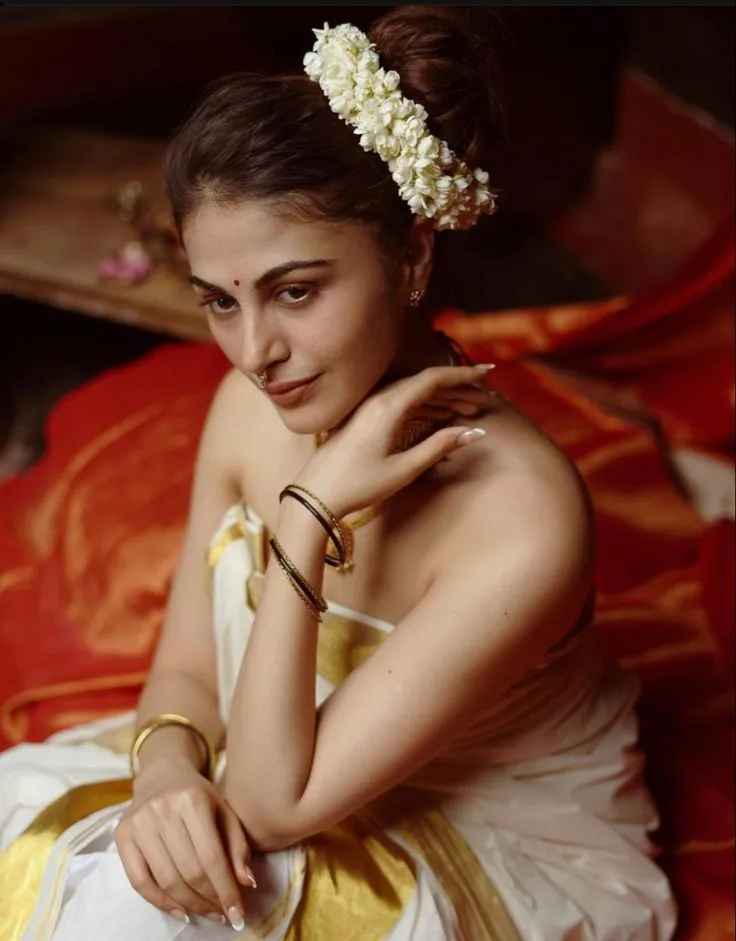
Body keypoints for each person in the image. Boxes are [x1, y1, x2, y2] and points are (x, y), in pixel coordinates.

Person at [0, 9, 676, 940]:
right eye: (219, 302)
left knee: (144, 908)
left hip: (494, 842)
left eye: (296, 291)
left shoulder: (522, 517)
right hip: (272, 773)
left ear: (413, 256)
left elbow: (269, 807)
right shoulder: (246, 409)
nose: (254, 352)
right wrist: (162, 778)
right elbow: (188, 672)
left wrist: (308, 514)